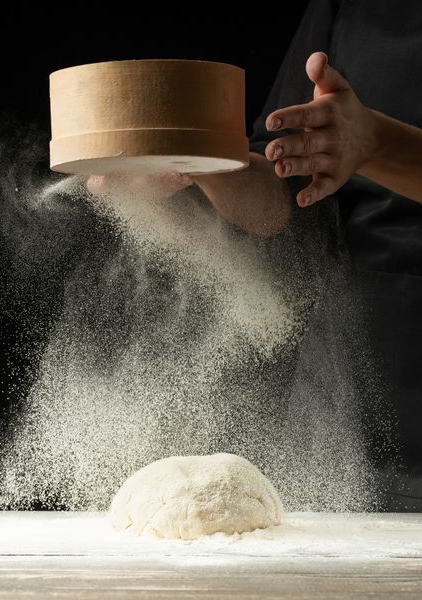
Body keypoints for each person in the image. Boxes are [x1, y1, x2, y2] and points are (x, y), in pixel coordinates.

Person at [88, 0, 422, 509]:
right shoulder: (354, 8)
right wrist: (196, 167)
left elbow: (359, 144)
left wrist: (379, 144)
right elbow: (289, 197)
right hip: (357, 405)